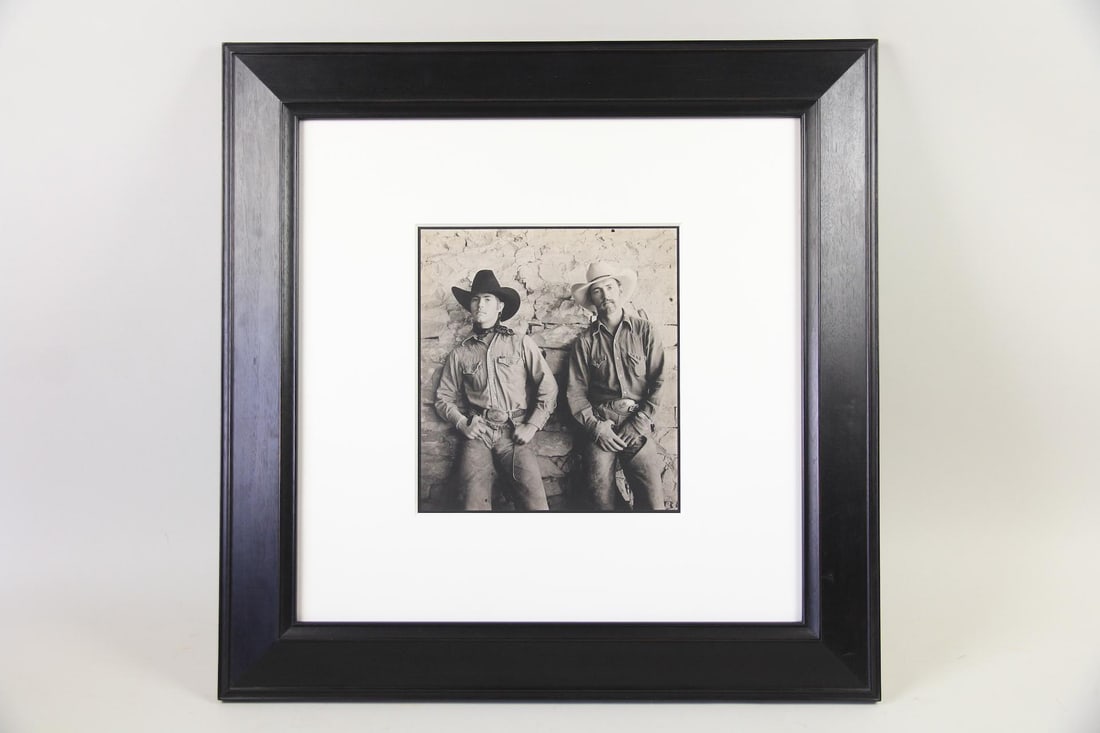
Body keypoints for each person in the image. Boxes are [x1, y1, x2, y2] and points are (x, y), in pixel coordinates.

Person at [434, 270, 558, 510]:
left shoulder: (520, 342)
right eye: (475, 299)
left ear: (500, 306)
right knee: (472, 505)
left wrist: (532, 425)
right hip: (478, 433)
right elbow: (443, 398)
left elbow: (548, 386)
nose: (480, 305)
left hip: (514, 434)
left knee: (537, 506)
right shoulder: (461, 352)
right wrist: (462, 423)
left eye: (488, 299)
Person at [566, 262, 666, 511]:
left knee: (653, 502)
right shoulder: (585, 342)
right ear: (592, 299)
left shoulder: (645, 331)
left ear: (619, 291)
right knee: (600, 499)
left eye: (609, 287)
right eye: (598, 291)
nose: (605, 295)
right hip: (602, 426)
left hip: (636, 422)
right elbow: (575, 393)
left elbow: (660, 381)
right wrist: (597, 428)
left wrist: (640, 422)